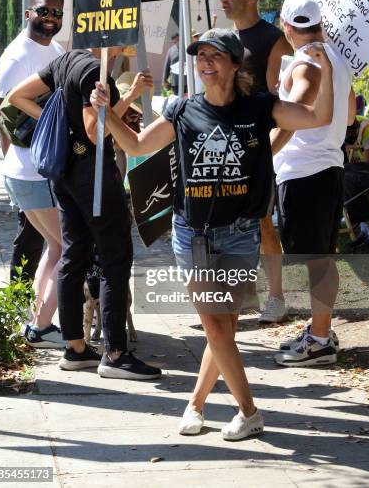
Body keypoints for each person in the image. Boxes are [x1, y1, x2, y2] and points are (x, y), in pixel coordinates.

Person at [90, 28, 334, 440]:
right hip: (194, 235)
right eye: (200, 55)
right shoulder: (183, 110)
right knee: (217, 328)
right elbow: (134, 146)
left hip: (240, 234)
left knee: (223, 330)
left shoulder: (260, 107)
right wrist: (107, 111)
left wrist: (324, 72)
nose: (205, 62)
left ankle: (196, 404)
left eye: (215, 55)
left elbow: (317, 117)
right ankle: (249, 411)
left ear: (236, 64)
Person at [10, 47, 162, 380]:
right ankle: (116, 354)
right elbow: (97, 132)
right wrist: (131, 95)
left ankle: (75, 348)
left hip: (65, 171)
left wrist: (59, 123)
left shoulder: (66, 60)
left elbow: (16, 97)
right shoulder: (97, 71)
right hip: (93, 174)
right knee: (115, 257)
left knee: (74, 253)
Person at [271, 0, 356, 367]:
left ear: (287, 27)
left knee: (315, 260)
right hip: (328, 166)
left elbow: (299, 114)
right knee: (321, 257)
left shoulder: (306, 62)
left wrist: (262, 155)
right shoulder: (336, 57)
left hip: (304, 170)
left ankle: (320, 339)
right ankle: (320, 329)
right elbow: (350, 116)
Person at [209, 0, 293, 324]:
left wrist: (265, 151)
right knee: (225, 223)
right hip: (222, 141)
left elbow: (283, 103)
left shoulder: (274, 40)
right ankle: (245, 294)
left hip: (258, 144)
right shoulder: (221, 37)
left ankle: (276, 297)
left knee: (262, 223)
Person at [0, 0, 65, 348]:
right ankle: (40, 326)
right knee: (67, 246)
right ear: (28, 13)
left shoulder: (56, 51)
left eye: (56, 12)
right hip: (29, 172)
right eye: (43, 11)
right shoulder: (15, 56)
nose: (50, 17)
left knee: (54, 246)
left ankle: (36, 320)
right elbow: (5, 116)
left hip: (42, 171)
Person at [344, 114, 369, 250]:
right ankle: (366, 231)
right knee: (343, 175)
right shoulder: (348, 121)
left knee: (349, 181)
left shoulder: (368, 129)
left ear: (353, 129)